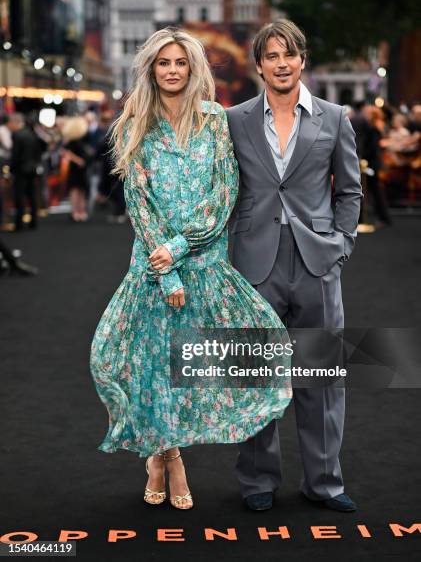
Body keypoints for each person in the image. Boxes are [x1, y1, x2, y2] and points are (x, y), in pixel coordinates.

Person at [90, 27, 292, 511]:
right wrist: (166, 269)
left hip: (204, 262)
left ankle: (166, 453)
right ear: (152, 69)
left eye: (181, 62)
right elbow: (140, 205)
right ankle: (167, 457)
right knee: (144, 362)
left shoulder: (214, 120)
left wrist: (181, 248)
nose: (173, 70)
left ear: (193, 67)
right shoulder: (134, 122)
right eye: (164, 63)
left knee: (211, 362)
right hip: (154, 268)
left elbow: (224, 194)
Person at [226, 19, 363, 512]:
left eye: (290, 54)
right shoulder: (234, 120)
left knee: (320, 377)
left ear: (302, 59)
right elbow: (226, 191)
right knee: (255, 376)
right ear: (259, 65)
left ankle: (324, 483)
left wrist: (340, 245)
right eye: (272, 56)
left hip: (315, 262)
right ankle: (258, 481)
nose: (282, 64)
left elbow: (349, 191)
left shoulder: (335, 117)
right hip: (253, 263)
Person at [7, 113, 43, 231]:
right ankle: (34, 221)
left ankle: (19, 223)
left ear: (15, 122)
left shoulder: (17, 135)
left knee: (20, 197)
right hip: (32, 169)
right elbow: (38, 152)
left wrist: (11, 169)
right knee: (32, 195)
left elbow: (15, 155)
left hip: (20, 170)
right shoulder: (32, 134)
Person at [61, 117, 91, 222]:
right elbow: (66, 153)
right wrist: (79, 161)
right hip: (76, 169)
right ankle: (77, 212)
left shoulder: (77, 140)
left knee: (79, 191)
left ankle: (79, 212)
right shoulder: (75, 141)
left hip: (78, 170)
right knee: (76, 191)